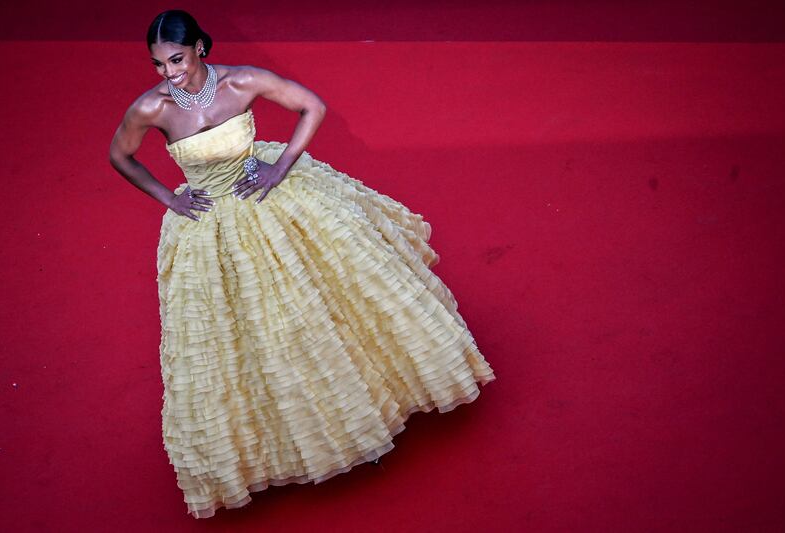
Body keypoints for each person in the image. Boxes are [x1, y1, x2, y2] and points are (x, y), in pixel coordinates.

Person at [108, 9, 497, 519]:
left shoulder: (244, 80)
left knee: (326, 302)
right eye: (159, 65)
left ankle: (368, 407)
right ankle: (281, 436)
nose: (169, 73)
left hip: (267, 199)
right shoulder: (150, 108)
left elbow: (312, 107)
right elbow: (121, 155)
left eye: (176, 59)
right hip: (211, 223)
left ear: (200, 47)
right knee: (246, 333)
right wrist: (169, 198)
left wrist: (279, 167)